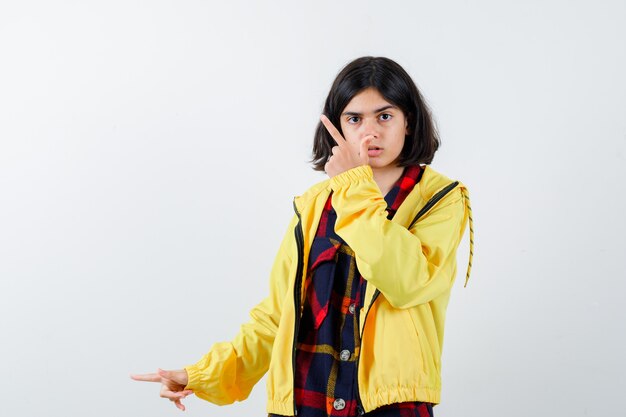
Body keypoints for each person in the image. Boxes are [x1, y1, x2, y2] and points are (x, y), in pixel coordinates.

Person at [131, 56, 474, 417]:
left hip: (390, 405)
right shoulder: (313, 205)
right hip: (305, 401)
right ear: (335, 128)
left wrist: (354, 187)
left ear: (409, 123)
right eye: (354, 119)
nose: (369, 133)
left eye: (384, 116)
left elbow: (407, 281)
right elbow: (278, 316)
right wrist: (202, 374)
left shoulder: (440, 198)